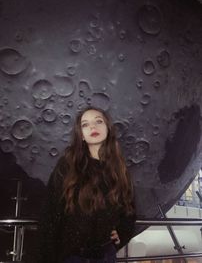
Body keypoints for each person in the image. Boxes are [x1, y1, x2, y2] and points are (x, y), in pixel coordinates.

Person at [37, 106, 136, 263]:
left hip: (106, 256)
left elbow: (129, 209)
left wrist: (123, 232)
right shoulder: (67, 165)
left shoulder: (119, 169)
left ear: (108, 128)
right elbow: (50, 213)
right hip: (71, 256)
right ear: (81, 136)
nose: (93, 127)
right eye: (85, 124)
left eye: (98, 121)